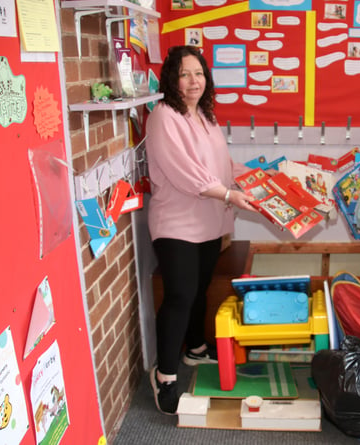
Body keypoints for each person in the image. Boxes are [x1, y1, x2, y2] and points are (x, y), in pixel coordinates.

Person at [145, 45, 256, 414]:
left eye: (199, 74)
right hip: (176, 224)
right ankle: (165, 377)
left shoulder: (206, 117)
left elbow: (221, 165)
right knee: (179, 296)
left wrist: (257, 179)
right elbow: (184, 173)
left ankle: (194, 348)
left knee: (198, 290)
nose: (193, 81)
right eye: (184, 74)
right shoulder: (163, 116)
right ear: (171, 79)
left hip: (209, 222)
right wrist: (228, 194)